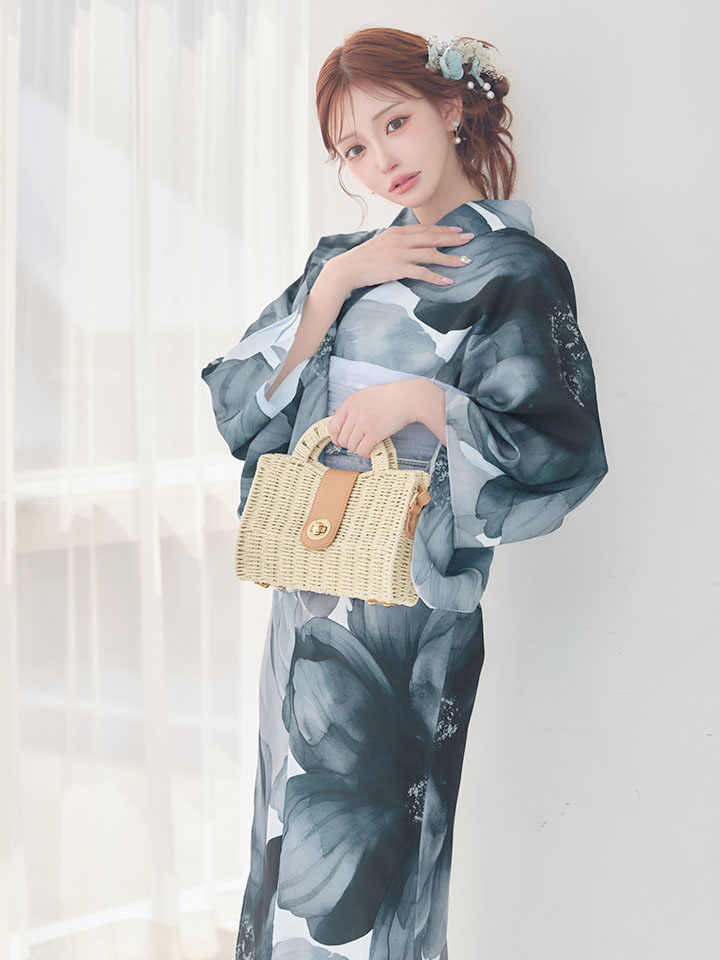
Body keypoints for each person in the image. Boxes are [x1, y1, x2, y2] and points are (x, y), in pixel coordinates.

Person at [201, 27, 609, 960]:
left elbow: (559, 450)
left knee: (382, 874)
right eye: (354, 147)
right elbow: (238, 405)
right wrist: (337, 282)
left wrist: (426, 402)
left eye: (395, 124)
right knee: (283, 850)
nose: (382, 160)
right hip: (309, 595)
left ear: (450, 108)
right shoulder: (344, 262)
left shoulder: (517, 271)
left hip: (411, 622)